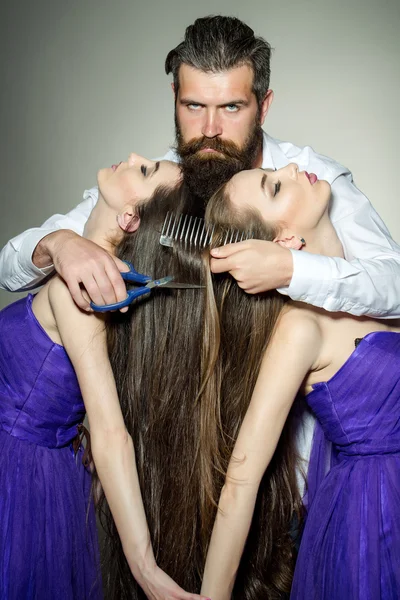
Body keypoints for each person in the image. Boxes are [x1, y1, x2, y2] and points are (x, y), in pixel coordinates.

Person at [0, 153, 209, 600]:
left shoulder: (76, 294)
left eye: (145, 169)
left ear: (130, 218)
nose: (133, 157)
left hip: (15, 471)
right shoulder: (93, 281)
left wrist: (145, 567)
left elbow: (112, 433)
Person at [199, 164, 400, 599]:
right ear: (283, 243)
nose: (292, 167)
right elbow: (241, 479)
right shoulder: (301, 328)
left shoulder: (380, 275)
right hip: (376, 516)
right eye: (275, 185)